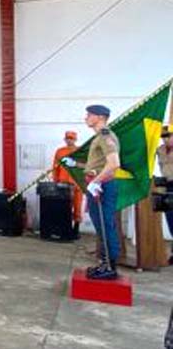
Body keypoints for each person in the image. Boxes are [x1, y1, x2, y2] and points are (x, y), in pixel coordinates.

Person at [61, 104, 121, 279]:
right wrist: (76, 164)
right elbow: (97, 165)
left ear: (100, 117)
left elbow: (114, 164)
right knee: (101, 226)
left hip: (102, 187)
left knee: (105, 225)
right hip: (98, 186)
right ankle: (104, 264)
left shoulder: (105, 136)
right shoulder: (98, 137)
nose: (86, 118)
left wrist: (95, 182)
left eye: (89, 115)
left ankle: (110, 267)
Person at [51, 130, 84, 234]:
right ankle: (65, 228)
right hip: (63, 183)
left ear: (75, 140)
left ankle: (76, 229)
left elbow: (84, 167)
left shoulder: (80, 151)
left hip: (77, 183)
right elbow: (55, 167)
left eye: (71, 138)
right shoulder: (60, 151)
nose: (69, 140)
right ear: (65, 139)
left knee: (77, 205)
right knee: (64, 206)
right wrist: (55, 181)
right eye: (68, 138)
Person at [159, 126, 173, 235]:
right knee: (169, 215)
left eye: (169, 136)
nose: (166, 139)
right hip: (165, 185)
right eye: (163, 136)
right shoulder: (160, 150)